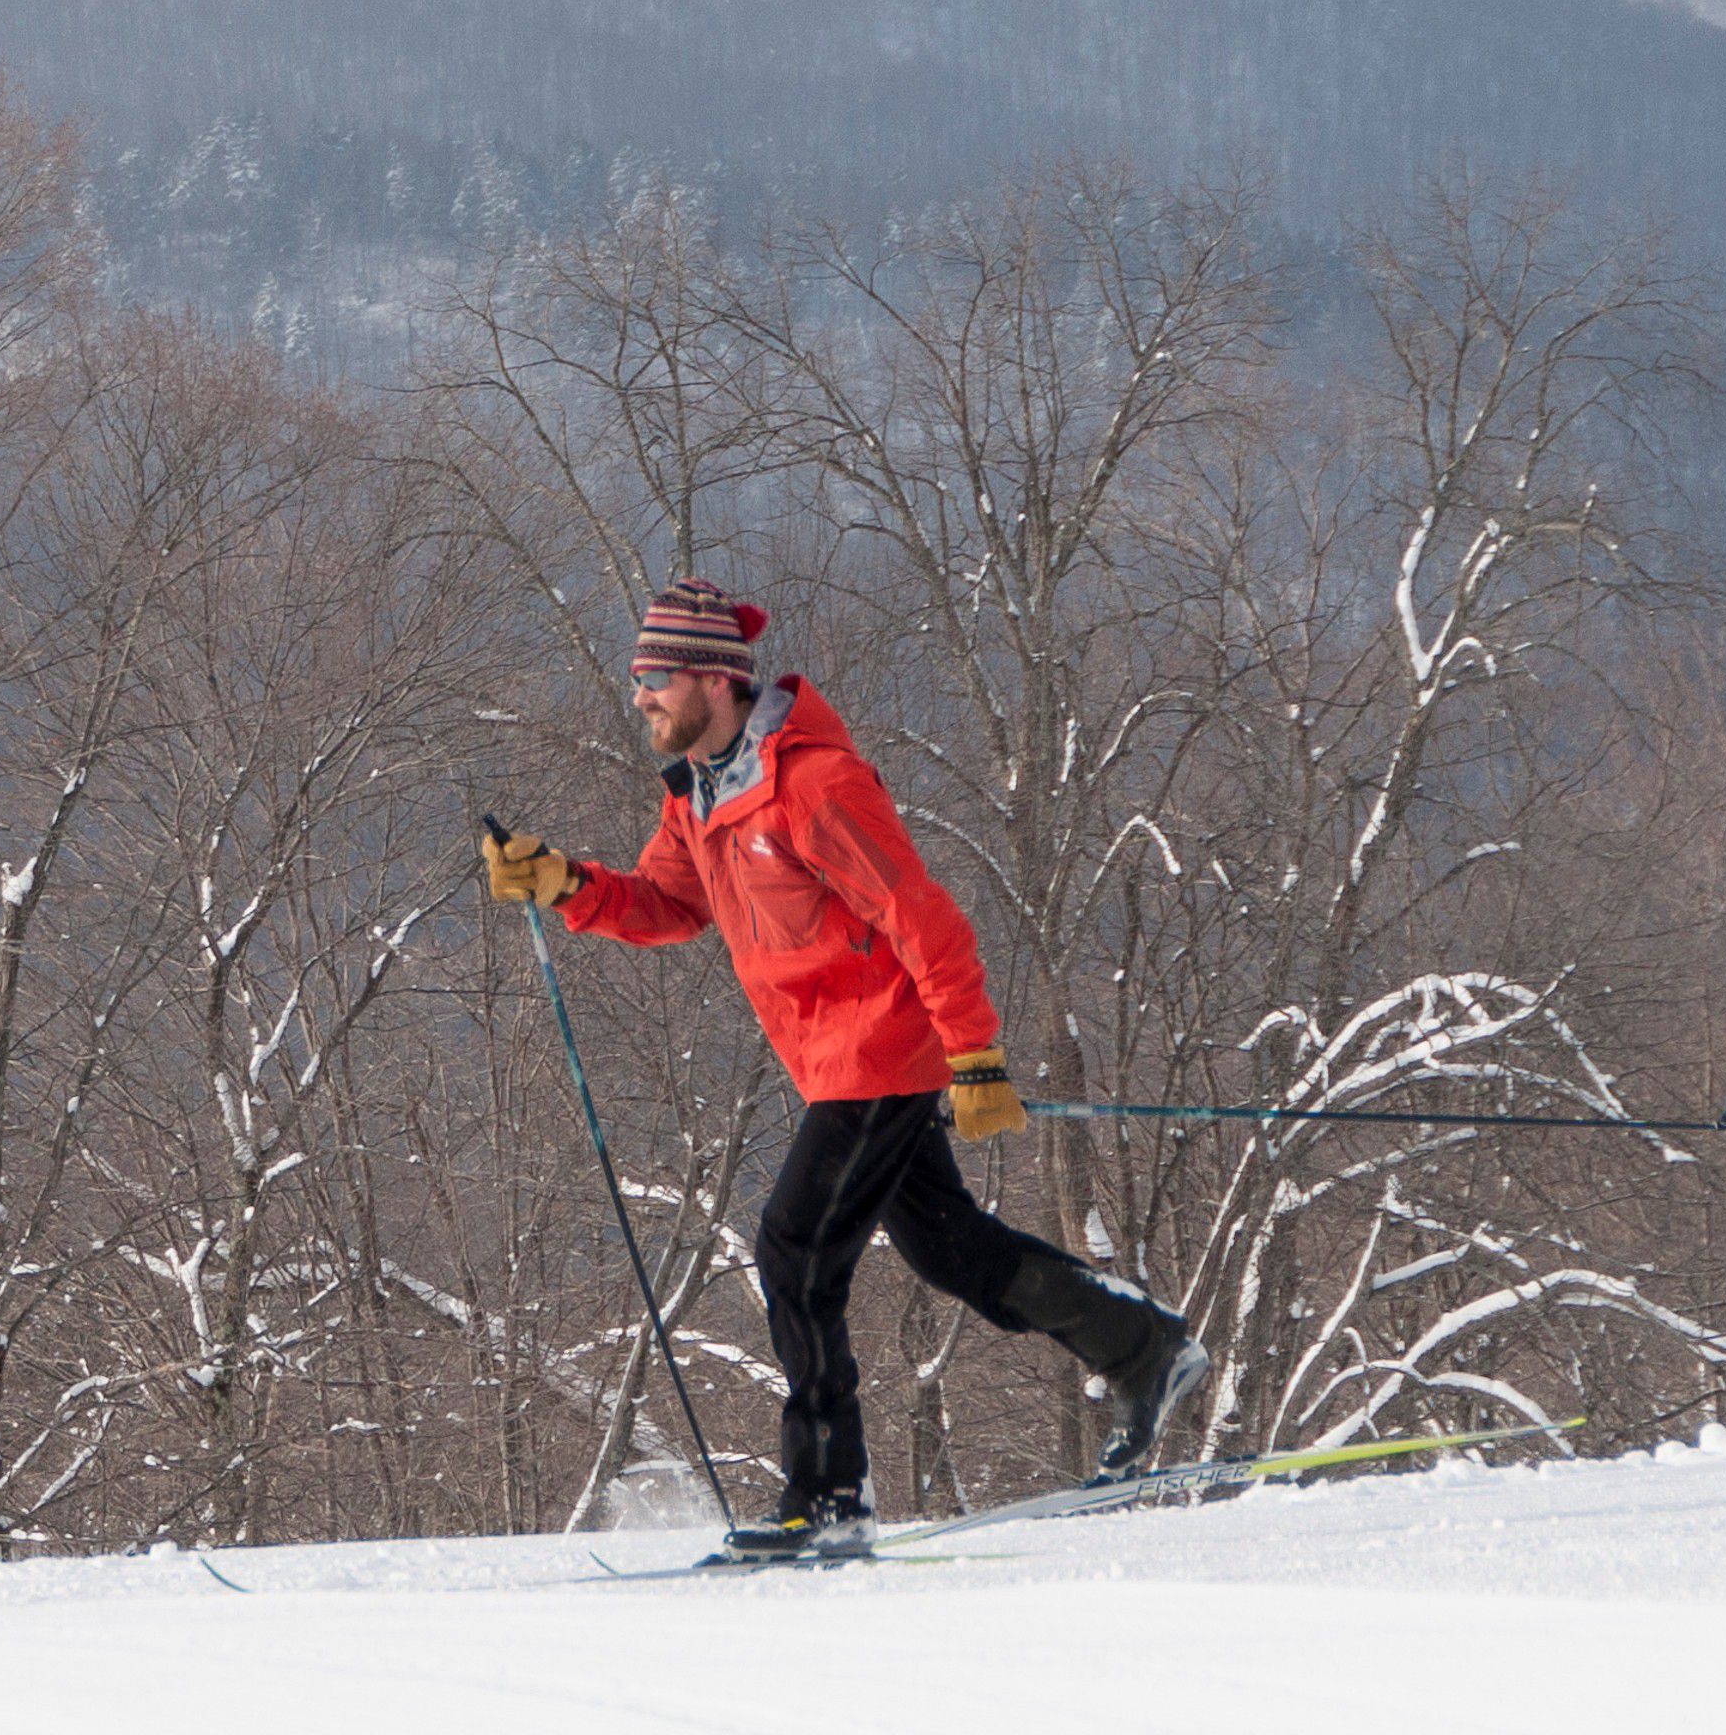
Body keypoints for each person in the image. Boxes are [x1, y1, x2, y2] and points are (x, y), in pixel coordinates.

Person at [483, 577, 1208, 1559]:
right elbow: (669, 904)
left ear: (711, 678)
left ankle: (828, 1496)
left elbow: (922, 915)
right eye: (639, 678)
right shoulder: (703, 795)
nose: (642, 696)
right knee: (948, 1247)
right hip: (831, 1063)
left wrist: (976, 1055)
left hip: (883, 1051)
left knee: (792, 1250)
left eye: (654, 677)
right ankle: (1144, 1347)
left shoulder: (813, 785)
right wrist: (569, 882)